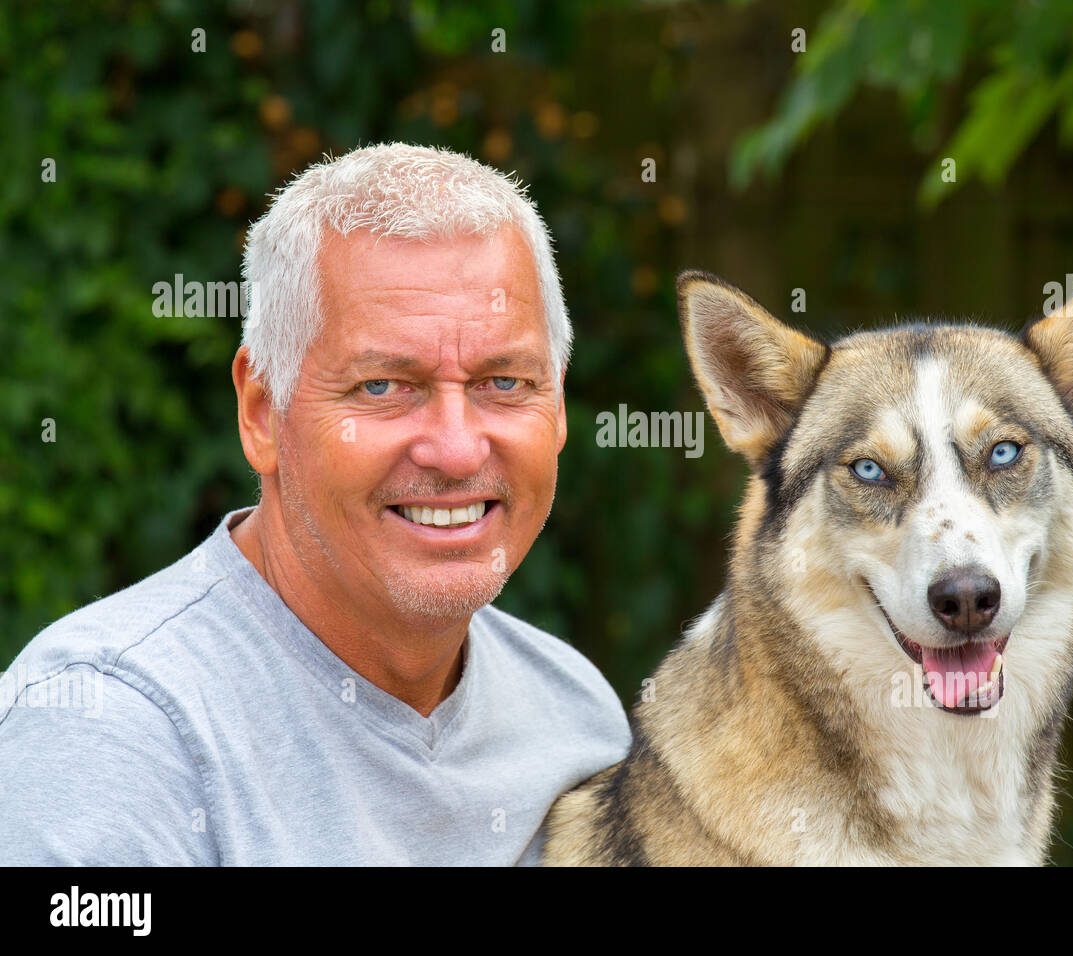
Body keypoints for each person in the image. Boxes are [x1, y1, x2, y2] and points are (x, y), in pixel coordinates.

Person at [0, 143, 631, 865]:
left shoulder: (575, 718)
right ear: (264, 413)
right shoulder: (109, 733)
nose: (456, 450)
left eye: (505, 382)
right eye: (383, 387)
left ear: (559, 411)